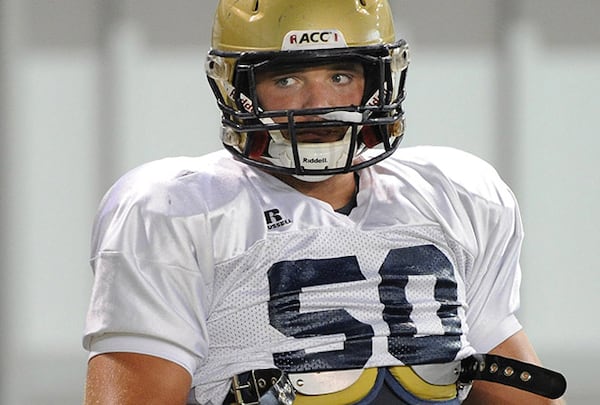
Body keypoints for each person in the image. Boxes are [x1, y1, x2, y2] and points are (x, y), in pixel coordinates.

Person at [82, 1, 566, 404]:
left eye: (339, 75)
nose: (317, 103)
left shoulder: (455, 192)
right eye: (287, 80)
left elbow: (513, 377)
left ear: (378, 80)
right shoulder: (177, 206)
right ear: (239, 88)